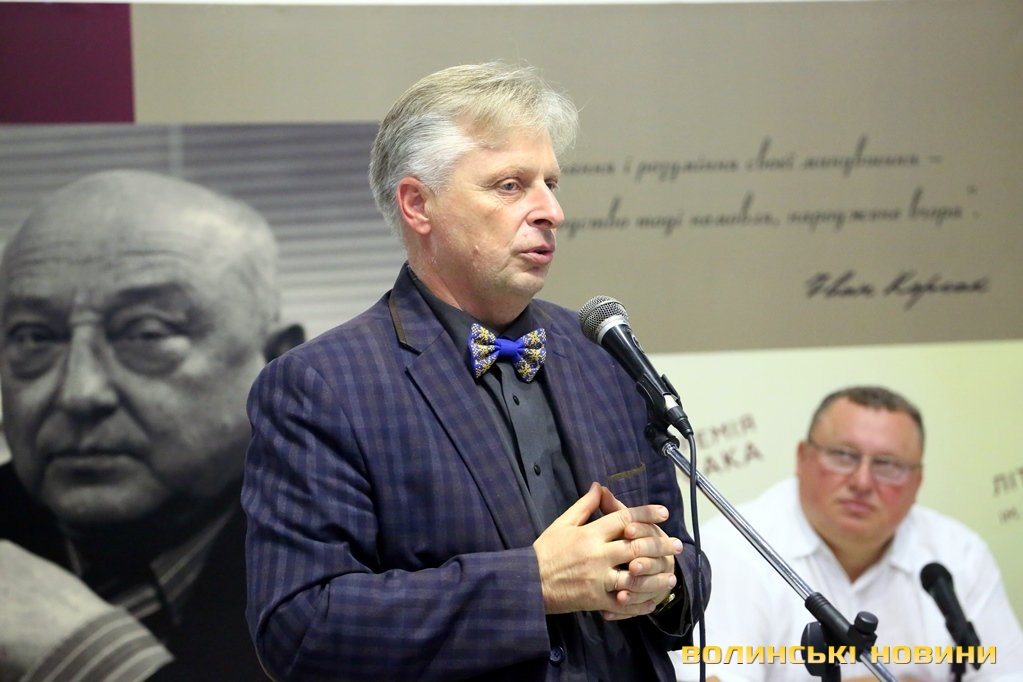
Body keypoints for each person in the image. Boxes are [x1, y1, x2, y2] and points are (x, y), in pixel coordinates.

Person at [242, 61, 710, 682]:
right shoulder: (321, 386)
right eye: (510, 186)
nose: (551, 210)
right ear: (418, 205)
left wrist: (662, 580)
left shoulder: (602, 350)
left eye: (551, 183)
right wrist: (533, 585)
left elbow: (684, 562)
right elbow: (301, 628)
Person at [0, 169, 303, 682]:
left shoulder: (389, 553)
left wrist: (95, 660)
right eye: (34, 337)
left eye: (146, 332)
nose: (79, 393)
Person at [674, 385, 1023, 682]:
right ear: (802, 458)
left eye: (887, 465)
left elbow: (1006, 673)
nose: (862, 482)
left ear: (918, 481)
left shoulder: (959, 553)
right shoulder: (732, 547)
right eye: (843, 456)